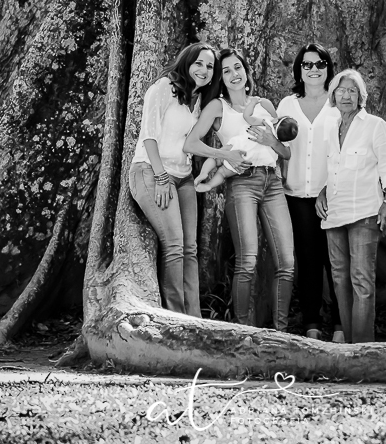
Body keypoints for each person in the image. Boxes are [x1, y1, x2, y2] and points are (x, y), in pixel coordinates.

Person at [185, 48, 295, 330]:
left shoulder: (264, 105)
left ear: (246, 71)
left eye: (237, 68)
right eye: (226, 71)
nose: (234, 74)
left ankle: (281, 333)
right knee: (247, 261)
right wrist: (224, 155)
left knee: (286, 262)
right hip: (241, 183)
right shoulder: (217, 107)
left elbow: (286, 152)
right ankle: (243, 331)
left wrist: (272, 141)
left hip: (273, 183)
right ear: (221, 79)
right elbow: (191, 143)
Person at [129, 42, 220, 316]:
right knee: (174, 246)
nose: (204, 70)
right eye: (199, 63)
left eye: (209, 66)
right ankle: (176, 317)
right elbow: (148, 136)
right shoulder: (163, 88)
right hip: (151, 171)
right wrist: (160, 177)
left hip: (184, 178)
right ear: (187, 62)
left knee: (190, 249)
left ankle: (195, 318)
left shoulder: (199, 100)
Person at [315, 69, 386, 343]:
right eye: (341, 90)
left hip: (365, 214)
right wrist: (321, 193)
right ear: (333, 96)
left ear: (361, 96)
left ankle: (362, 348)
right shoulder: (331, 128)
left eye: (352, 91)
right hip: (334, 214)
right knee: (340, 280)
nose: (346, 95)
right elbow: (334, 169)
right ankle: (349, 348)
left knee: (361, 281)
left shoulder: (375, 125)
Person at [276, 43, 344, 342]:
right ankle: (312, 324)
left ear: (328, 68)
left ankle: (341, 324)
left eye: (320, 64)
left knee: (337, 261)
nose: (314, 69)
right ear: (299, 70)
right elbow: (278, 147)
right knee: (308, 261)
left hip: (333, 194)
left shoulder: (339, 103)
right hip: (296, 195)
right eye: (307, 65)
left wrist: (329, 188)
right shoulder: (287, 105)